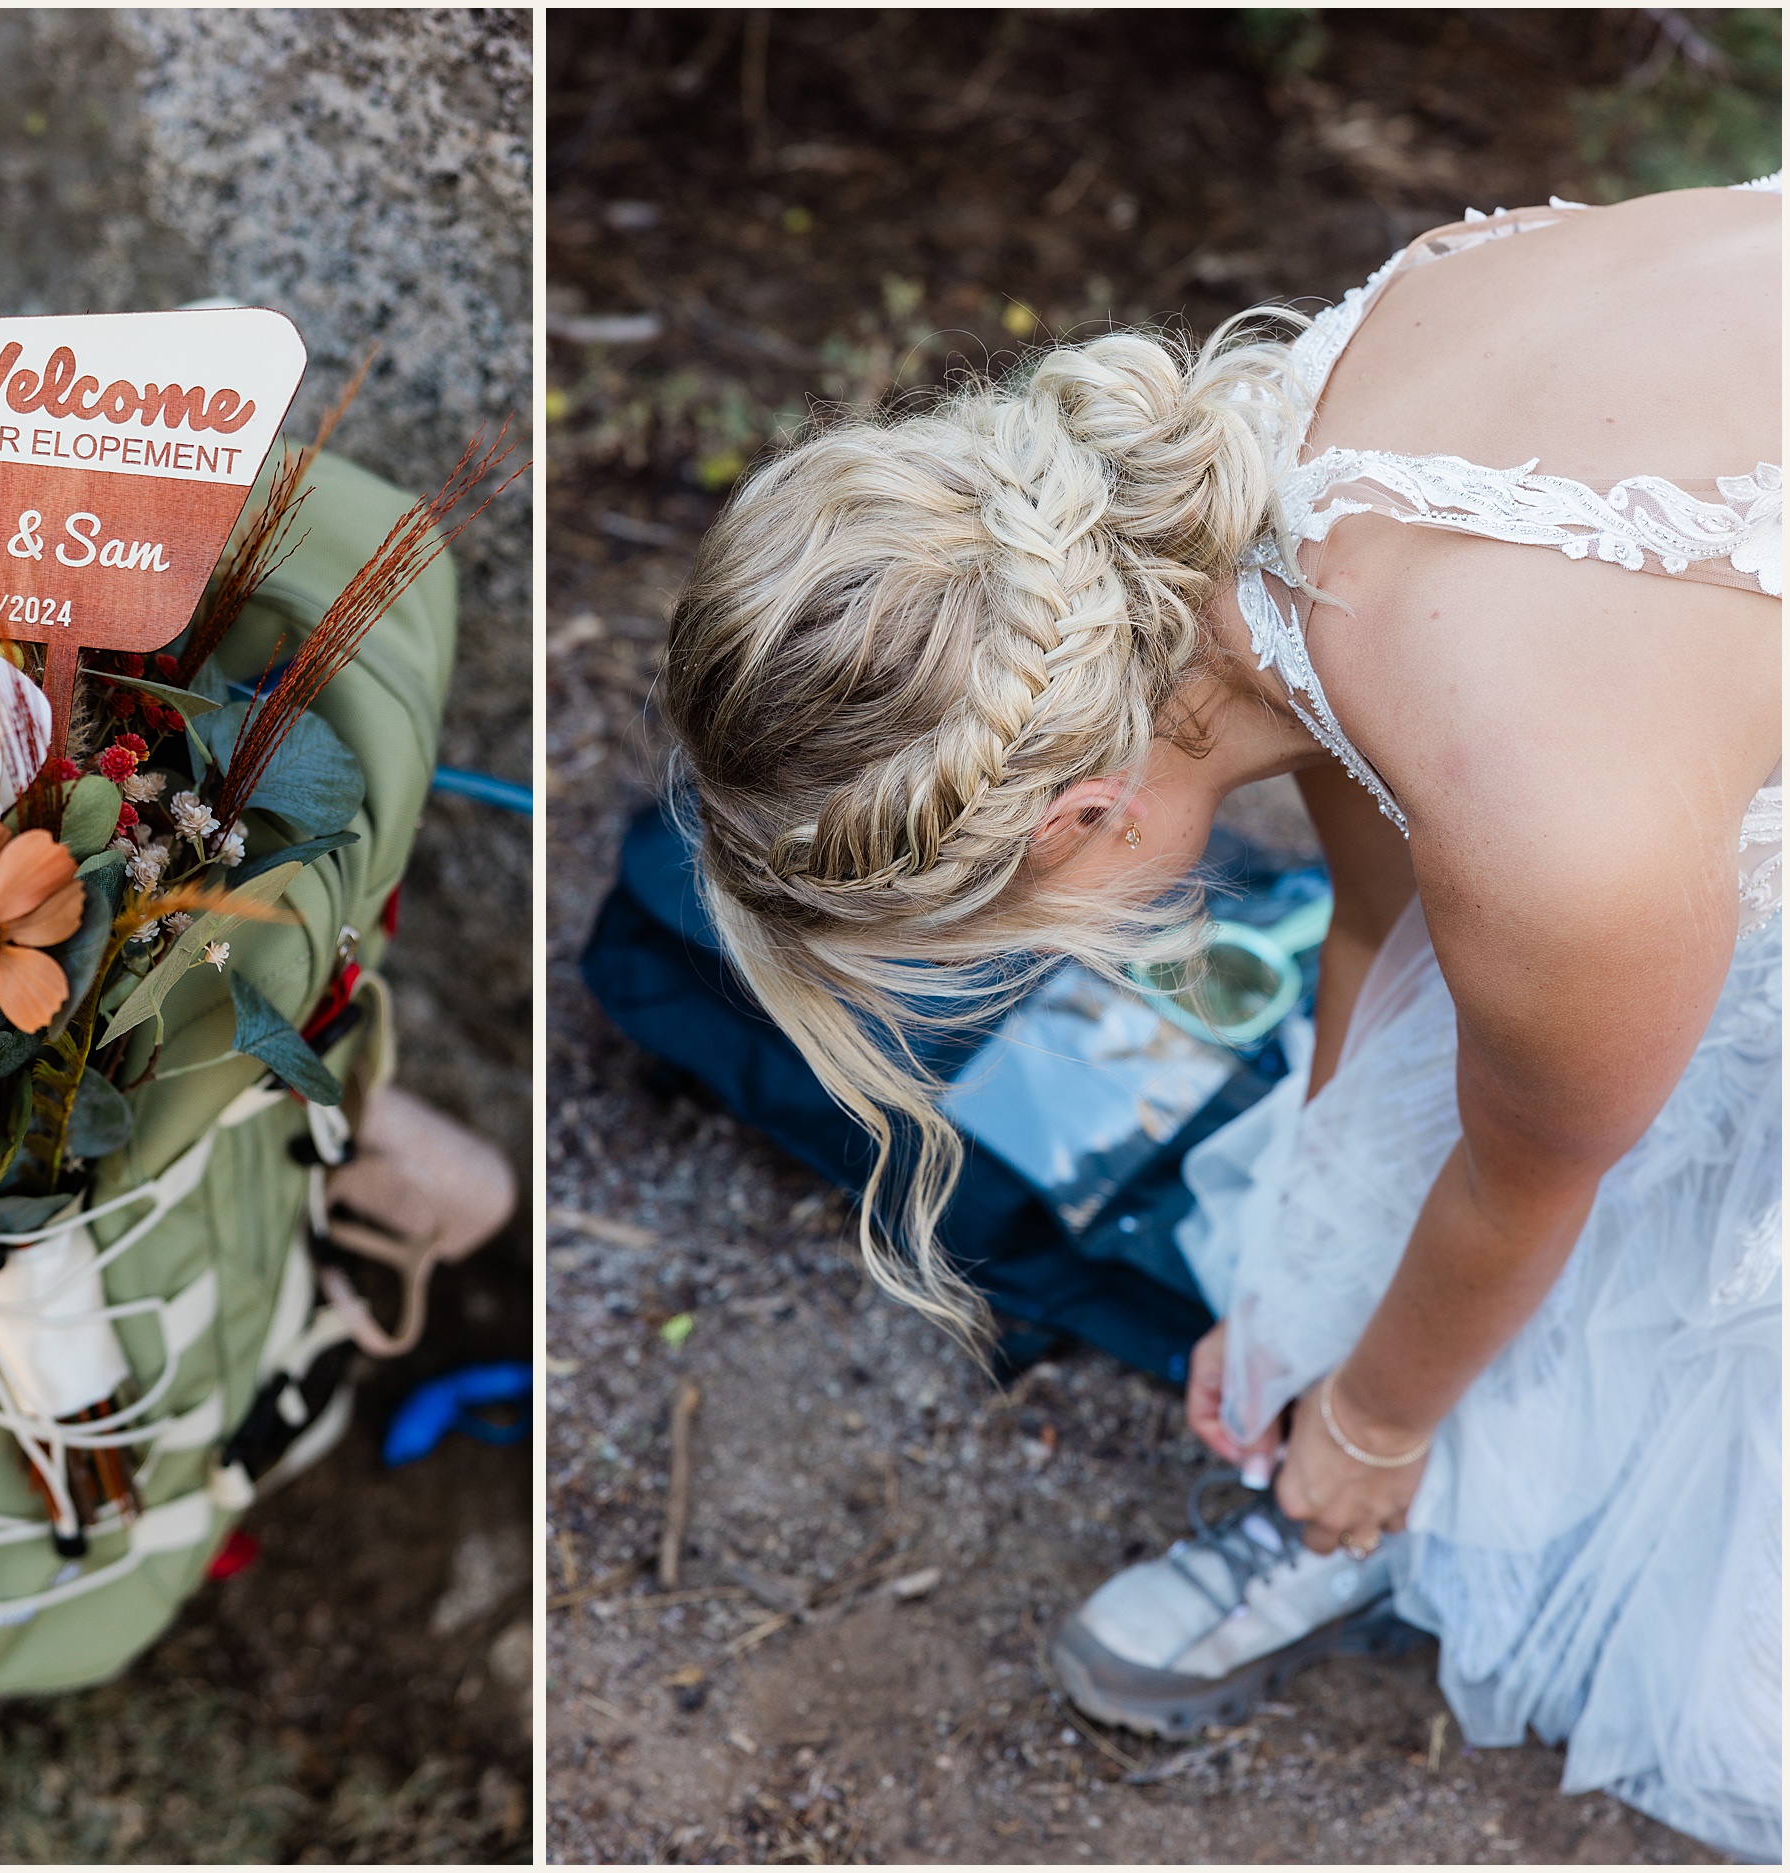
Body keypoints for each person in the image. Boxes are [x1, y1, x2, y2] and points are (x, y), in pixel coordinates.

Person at [657, 178, 1779, 1860]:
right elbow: (1385, 909)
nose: (1083, 961)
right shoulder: (1265, 505)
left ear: (1078, 817)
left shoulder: (1548, 821)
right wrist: (1307, 1266)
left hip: (1598, 876)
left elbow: (1539, 1164)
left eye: (1025, 933)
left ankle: (1395, 1514)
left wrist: (1369, 1427)